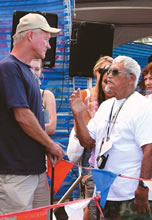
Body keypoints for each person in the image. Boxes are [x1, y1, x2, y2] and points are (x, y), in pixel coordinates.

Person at [70, 55, 152, 220]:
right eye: (107, 72)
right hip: (106, 192)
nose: (108, 76)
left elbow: (149, 149)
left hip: (131, 194)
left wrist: (143, 187)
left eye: (115, 72)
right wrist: (78, 115)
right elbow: (87, 141)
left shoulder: (143, 107)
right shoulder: (106, 106)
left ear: (132, 79)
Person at [0, 13, 64, 218]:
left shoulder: (26, 70)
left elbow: (29, 119)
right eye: (46, 39)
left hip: (35, 171)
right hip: (16, 174)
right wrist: (50, 144)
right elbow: (23, 116)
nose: (49, 45)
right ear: (29, 36)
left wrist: (45, 147)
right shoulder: (9, 68)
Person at [77, 56, 113, 220]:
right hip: (91, 154)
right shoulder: (87, 95)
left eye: (111, 69)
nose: (108, 74)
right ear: (96, 71)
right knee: (90, 200)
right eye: (103, 70)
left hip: (110, 159)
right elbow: (86, 134)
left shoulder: (113, 98)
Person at [30, 58, 57, 135]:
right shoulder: (16, 94)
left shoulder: (46, 95)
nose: (33, 72)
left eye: (37, 69)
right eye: (30, 68)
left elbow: (51, 128)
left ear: (41, 71)